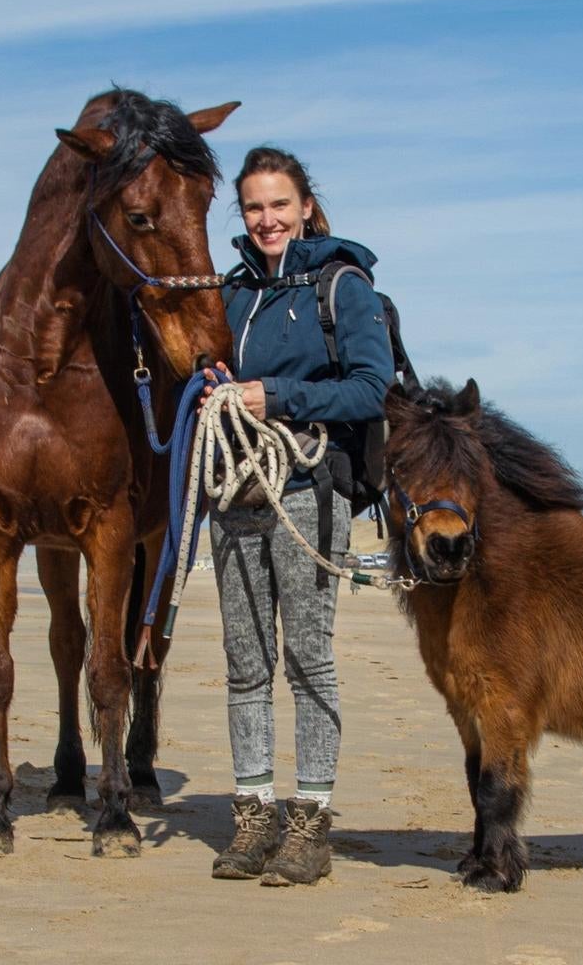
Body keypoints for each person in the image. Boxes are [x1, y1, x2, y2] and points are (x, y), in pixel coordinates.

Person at [204, 147, 395, 886]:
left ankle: (310, 825)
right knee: (245, 663)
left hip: (311, 488)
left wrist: (277, 397)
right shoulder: (230, 292)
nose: (268, 220)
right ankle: (254, 819)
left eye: (280, 204)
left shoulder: (343, 286)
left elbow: (372, 389)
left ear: (306, 206)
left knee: (308, 659)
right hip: (235, 491)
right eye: (254, 207)